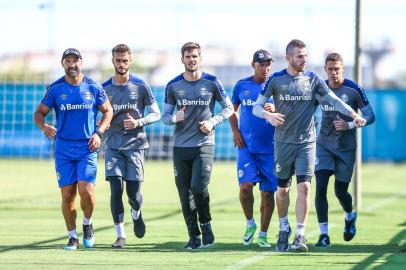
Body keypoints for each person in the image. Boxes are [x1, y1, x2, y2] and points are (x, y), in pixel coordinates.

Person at [253, 39, 366, 252]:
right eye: (299, 56)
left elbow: (333, 99)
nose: (304, 59)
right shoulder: (276, 80)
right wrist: (267, 115)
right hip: (283, 142)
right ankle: (284, 227)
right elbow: (256, 107)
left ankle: (300, 234)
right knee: (282, 191)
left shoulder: (313, 79)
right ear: (289, 58)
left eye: (305, 55)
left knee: (304, 187)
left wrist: (352, 113)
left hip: (307, 143)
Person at [34, 48, 113, 250]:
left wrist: (99, 133)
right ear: (63, 64)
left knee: (86, 190)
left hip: (87, 147)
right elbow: (39, 113)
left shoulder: (93, 87)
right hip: (63, 148)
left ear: (81, 63)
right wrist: (44, 126)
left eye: (75, 60)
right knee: (67, 194)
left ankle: (87, 224)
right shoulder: (55, 89)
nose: (72, 64)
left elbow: (108, 111)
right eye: (68, 61)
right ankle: (72, 237)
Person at [162, 42, 233, 250]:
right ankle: (193, 235)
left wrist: (212, 122)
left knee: (198, 188)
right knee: (184, 194)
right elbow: (165, 117)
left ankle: (206, 222)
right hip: (181, 147)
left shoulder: (212, 82)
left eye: (195, 56)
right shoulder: (173, 85)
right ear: (182, 59)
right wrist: (175, 117)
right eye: (188, 56)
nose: (191, 60)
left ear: (200, 58)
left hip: (204, 144)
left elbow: (228, 108)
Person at [102, 44, 161, 248]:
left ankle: (136, 213)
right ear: (112, 61)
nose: (121, 64)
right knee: (115, 188)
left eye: (125, 60)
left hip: (136, 145)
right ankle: (120, 235)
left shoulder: (141, 86)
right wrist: (101, 126)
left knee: (133, 195)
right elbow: (97, 116)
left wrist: (138, 122)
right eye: (118, 60)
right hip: (113, 146)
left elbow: (157, 113)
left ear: (130, 61)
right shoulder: (104, 89)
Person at [314, 53, 375, 247]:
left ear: (343, 69)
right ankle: (323, 235)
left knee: (340, 191)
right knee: (320, 186)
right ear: (325, 69)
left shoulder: (354, 89)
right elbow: (306, 109)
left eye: (337, 69)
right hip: (323, 144)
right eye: (330, 69)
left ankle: (350, 215)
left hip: (346, 148)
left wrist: (350, 125)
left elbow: (370, 116)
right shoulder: (320, 88)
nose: (334, 73)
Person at [229, 49, 277, 248]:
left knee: (268, 193)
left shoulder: (276, 85)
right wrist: (235, 131)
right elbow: (231, 109)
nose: (265, 68)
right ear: (253, 65)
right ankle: (250, 224)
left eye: (267, 64)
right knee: (245, 187)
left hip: (271, 148)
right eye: (261, 64)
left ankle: (263, 235)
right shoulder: (242, 85)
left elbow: (289, 111)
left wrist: (276, 109)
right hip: (246, 146)